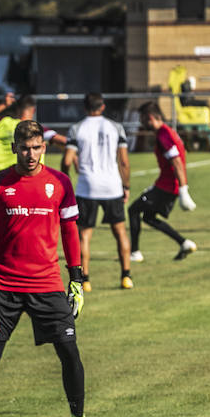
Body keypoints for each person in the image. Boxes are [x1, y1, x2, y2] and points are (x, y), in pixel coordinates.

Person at [0, 120, 102, 417]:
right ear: (15, 148)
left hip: (47, 285)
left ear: (44, 148)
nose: (31, 154)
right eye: (25, 148)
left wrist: (77, 277)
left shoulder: (60, 182)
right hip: (3, 286)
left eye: (36, 147)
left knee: (69, 353)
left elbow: (69, 231)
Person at [0, 94, 67, 266]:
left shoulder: (2, 123)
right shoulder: (35, 130)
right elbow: (61, 140)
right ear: (33, 110)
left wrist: (3, 104)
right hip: (23, 178)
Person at [62, 93, 134, 290]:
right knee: (120, 232)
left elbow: (67, 161)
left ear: (85, 108)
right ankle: (126, 276)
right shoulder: (116, 127)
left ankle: (85, 280)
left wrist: (64, 181)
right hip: (112, 186)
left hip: (87, 187)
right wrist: (125, 187)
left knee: (84, 235)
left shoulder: (77, 128)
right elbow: (124, 161)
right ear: (102, 107)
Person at [128, 101, 198, 267]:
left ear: (151, 117)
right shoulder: (168, 132)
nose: (142, 123)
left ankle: (135, 252)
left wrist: (183, 190)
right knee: (149, 217)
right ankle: (183, 243)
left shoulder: (163, 135)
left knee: (133, 210)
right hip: (166, 185)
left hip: (168, 186)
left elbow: (177, 162)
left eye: (143, 119)